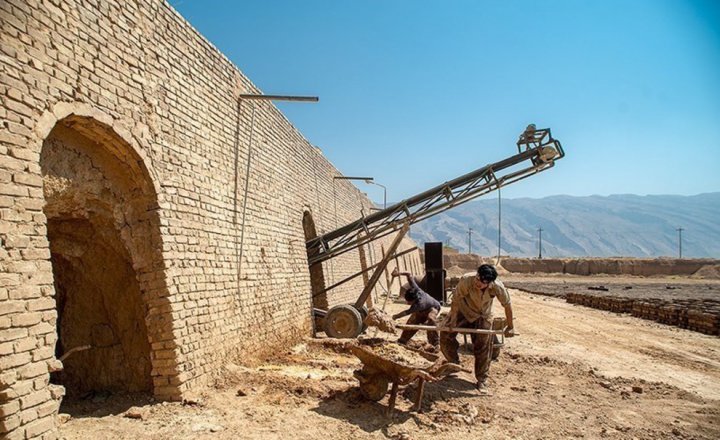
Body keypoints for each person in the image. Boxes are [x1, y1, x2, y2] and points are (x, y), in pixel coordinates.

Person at [440, 264, 514, 394]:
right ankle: (453, 363)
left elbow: (507, 305)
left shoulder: (497, 287)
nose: (478, 283)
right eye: (478, 279)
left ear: (490, 282)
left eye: (483, 282)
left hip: (483, 315)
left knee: (483, 346)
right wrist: (452, 321)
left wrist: (510, 327)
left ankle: (482, 379)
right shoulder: (467, 280)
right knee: (445, 334)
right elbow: (456, 300)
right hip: (464, 310)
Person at [391, 268, 441, 349]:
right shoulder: (415, 288)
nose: (408, 303)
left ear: (414, 300)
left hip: (434, 307)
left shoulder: (419, 305)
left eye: (409, 302)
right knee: (412, 321)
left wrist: (395, 317)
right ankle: (403, 340)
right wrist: (398, 273)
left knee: (431, 319)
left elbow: (405, 312)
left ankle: (435, 344)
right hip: (423, 308)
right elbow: (408, 274)